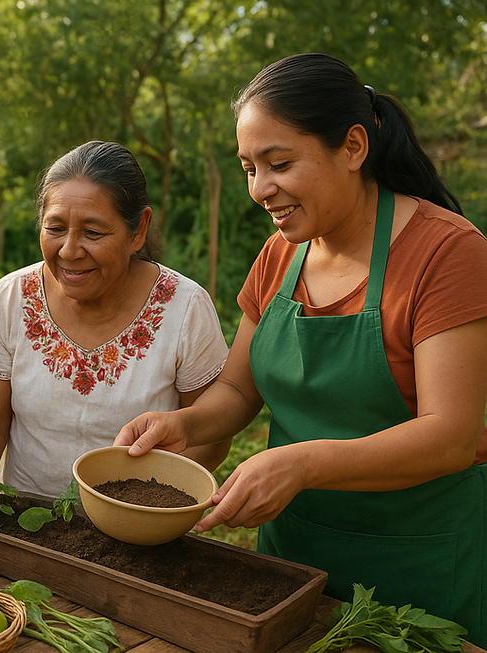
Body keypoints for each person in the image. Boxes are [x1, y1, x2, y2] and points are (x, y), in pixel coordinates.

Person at [115, 53, 487, 645]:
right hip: (294, 562)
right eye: (248, 168)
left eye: (279, 163)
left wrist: (303, 464)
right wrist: (183, 423)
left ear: (354, 147)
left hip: (419, 566)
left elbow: (450, 435)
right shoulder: (281, 255)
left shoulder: (447, 253)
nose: (260, 189)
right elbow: (238, 389)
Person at [0, 140, 230, 544]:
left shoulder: (184, 308)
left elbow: (211, 433)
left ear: (138, 230)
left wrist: (146, 515)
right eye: (55, 228)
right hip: (23, 523)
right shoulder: (13, 296)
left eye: (93, 232)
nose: (70, 251)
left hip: (138, 534)